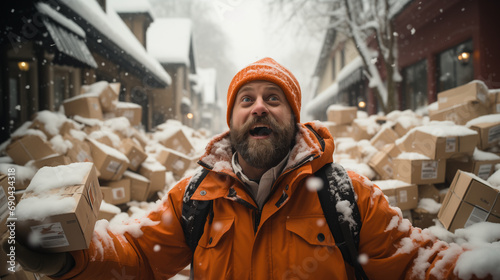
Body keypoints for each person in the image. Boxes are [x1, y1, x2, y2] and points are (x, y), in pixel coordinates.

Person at [1, 57, 494, 280]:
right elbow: (135, 253)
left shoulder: (346, 194)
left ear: (294, 119)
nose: (259, 108)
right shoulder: (193, 198)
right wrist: (69, 256)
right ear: (232, 120)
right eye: (247, 100)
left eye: (273, 99)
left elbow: (415, 262)